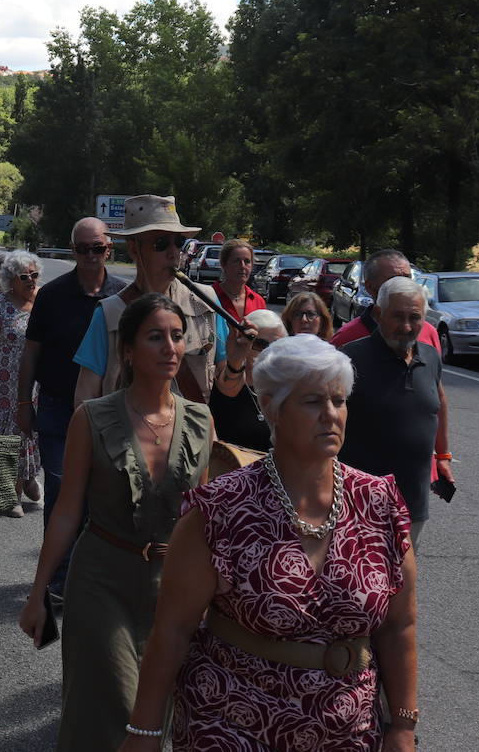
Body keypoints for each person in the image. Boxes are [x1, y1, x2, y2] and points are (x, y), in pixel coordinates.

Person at [120, 334, 418, 752]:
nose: (331, 415)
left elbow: (398, 624)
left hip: (348, 732)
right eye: (313, 402)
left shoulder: (378, 502)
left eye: (339, 400)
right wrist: (144, 733)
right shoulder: (221, 509)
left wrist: (403, 726)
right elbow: (173, 628)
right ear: (272, 410)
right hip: (232, 726)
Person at [19, 293, 213, 752]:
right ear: (127, 350)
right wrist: (38, 594)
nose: (170, 347)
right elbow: (67, 510)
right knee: (111, 713)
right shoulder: (92, 417)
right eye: (155, 337)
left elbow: (203, 518)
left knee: (161, 717)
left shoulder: (202, 421)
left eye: (177, 337)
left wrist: (212, 596)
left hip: (173, 588)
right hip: (101, 580)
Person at [17, 217, 126, 596]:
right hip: (57, 407)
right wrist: (22, 401)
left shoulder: (123, 296)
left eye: (98, 248)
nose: (91, 256)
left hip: (110, 412)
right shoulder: (52, 295)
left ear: (109, 248)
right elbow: (31, 352)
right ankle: (59, 578)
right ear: (73, 250)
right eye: (84, 249)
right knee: (63, 490)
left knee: (103, 494)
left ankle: (90, 572)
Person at [74, 195, 218, 405]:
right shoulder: (109, 314)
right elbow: (84, 397)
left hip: (190, 436)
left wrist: (238, 362)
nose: (173, 253)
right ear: (134, 249)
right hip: (126, 436)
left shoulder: (207, 303)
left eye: (179, 242)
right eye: (161, 244)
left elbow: (227, 389)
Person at [340, 276, 453, 544]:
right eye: (397, 316)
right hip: (358, 504)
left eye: (414, 317)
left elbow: (437, 406)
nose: (406, 326)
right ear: (378, 314)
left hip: (413, 501)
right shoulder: (349, 359)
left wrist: (444, 456)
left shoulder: (430, 357)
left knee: (405, 579)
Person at [330, 249, 450, 482]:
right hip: (359, 483)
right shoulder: (346, 342)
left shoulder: (428, 334)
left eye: (407, 278)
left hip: (415, 482)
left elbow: (438, 399)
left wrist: (442, 454)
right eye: (393, 280)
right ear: (372, 289)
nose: (403, 286)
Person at [0, 249, 43, 516]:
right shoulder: (0, 305)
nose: (31, 281)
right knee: (9, 436)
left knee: (30, 434)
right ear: (11, 279)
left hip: (35, 382)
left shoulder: (42, 303)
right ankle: (10, 494)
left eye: (35, 275)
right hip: (4, 385)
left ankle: (27, 478)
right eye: (25, 277)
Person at [210, 309, 287, 451]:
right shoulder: (232, 382)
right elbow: (230, 378)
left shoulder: (288, 388)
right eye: (260, 344)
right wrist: (235, 362)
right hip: (233, 468)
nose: (268, 352)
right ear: (243, 344)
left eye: (277, 346)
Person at [213, 238, 267, 323]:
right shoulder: (210, 296)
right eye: (236, 261)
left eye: (247, 261)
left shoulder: (258, 301)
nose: (242, 266)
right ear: (224, 264)